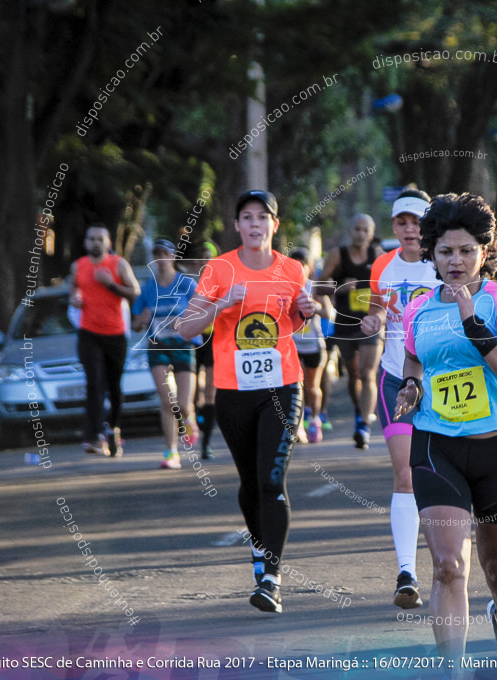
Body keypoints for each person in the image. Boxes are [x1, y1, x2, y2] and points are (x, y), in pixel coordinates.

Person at [395, 192, 497, 662]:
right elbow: (413, 361)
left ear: (484, 252)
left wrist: (473, 322)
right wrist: (410, 389)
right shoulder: (418, 310)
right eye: (446, 251)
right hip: (437, 447)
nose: (456, 261)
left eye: (466, 251)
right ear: (430, 254)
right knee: (449, 566)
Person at [176, 190, 314, 614]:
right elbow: (185, 329)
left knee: (272, 481)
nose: (255, 224)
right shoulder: (220, 270)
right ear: (237, 225)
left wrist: (306, 311)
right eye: (247, 217)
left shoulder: (292, 269)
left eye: (263, 217)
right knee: (251, 484)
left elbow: (294, 325)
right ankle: (259, 548)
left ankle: (271, 578)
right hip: (233, 393)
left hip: (283, 387)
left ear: (275, 225)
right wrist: (220, 302)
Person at [360, 189, 439, 609]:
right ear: (394, 226)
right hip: (395, 380)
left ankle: (448, 559)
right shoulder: (381, 266)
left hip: (443, 382)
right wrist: (372, 319)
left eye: (417, 222)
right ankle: (407, 571)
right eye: (403, 222)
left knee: (442, 473)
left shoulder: (444, 263)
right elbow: (376, 312)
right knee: (406, 474)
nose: (410, 230)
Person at [69, 225, 140, 456]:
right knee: (94, 383)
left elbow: (135, 292)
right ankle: (93, 437)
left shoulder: (118, 264)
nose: (96, 243)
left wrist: (110, 284)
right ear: (86, 243)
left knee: (114, 387)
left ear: (108, 243)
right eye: (92, 239)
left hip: (116, 334)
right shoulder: (78, 266)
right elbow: (73, 290)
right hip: (88, 332)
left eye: (100, 239)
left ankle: (113, 430)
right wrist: (75, 299)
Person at [132, 238, 200, 469]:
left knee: (183, 404)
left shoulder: (186, 284)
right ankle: (171, 452)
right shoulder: (148, 288)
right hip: (158, 346)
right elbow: (135, 324)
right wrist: (141, 320)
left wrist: (184, 319)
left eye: (165, 254)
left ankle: (189, 419)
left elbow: (202, 311)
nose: (161, 259)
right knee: (166, 400)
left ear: (173, 257)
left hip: (183, 346)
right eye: (157, 254)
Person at [319, 214, 383, 448]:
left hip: (371, 323)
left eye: (365, 230)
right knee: (354, 373)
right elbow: (318, 284)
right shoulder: (338, 255)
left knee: (368, 374)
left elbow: (390, 286)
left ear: (371, 232)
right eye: (357, 229)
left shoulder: (378, 256)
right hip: (345, 325)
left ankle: (364, 425)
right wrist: (340, 286)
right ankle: (359, 410)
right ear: (350, 231)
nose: (361, 234)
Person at [289, 249, 330, 443]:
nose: (298, 269)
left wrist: (314, 306)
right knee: (296, 386)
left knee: (312, 386)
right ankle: (298, 425)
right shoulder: (286, 287)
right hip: (293, 344)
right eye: (293, 264)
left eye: (302, 265)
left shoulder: (314, 286)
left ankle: (315, 419)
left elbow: (329, 313)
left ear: (309, 267)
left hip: (314, 344)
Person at [190, 241, 219, 460]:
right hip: (193, 338)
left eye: (208, 257)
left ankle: (206, 443)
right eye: (201, 258)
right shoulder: (188, 282)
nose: (204, 261)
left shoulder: (222, 282)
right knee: (191, 392)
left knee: (210, 391)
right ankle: (195, 421)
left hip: (214, 338)